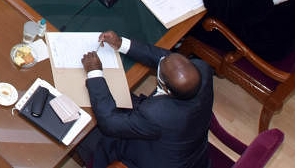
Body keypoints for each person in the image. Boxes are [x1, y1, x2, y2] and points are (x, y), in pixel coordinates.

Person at [78, 30, 213, 168]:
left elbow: (108, 123)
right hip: (191, 150)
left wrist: (94, 72)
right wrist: (121, 44)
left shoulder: (156, 113)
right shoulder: (201, 70)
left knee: (82, 133)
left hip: (153, 160)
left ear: (167, 88)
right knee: (117, 96)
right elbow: (168, 59)